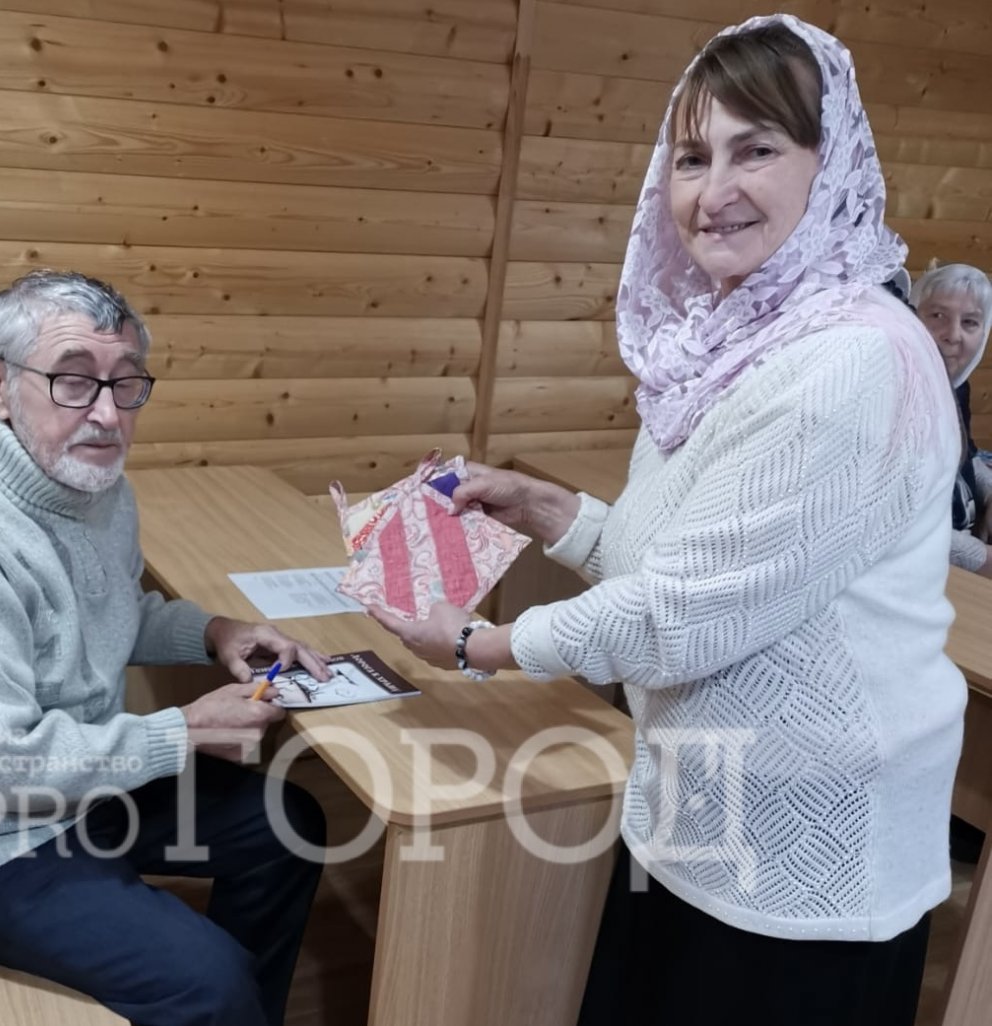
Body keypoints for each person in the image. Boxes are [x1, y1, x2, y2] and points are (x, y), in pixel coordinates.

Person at [370, 15, 964, 1026]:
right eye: (691, 157)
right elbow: (677, 556)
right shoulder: (733, 338)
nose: (711, 190)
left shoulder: (851, 359)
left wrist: (479, 644)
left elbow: (678, 614)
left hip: (795, 866)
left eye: (756, 149)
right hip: (694, 809)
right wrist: (550, 511)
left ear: (828, 165)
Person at [0, 270, 330, 1026]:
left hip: (74, 783)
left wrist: (212, 633)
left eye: (126, 383)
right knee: (211, 982)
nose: (106, 414)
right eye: (72, 381)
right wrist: (183, 732)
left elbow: (102, 613)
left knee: (288, 829)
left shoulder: (91, 483)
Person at [913, 261, 992, 576]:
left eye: (970, 322)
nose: (953, 335)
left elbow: (967, 455)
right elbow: (895, 522)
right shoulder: (892, 398)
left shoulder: (955, 387)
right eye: (937, 316)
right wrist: (980, 558)